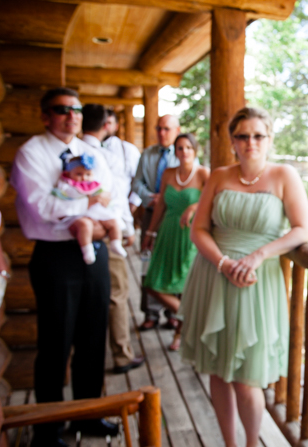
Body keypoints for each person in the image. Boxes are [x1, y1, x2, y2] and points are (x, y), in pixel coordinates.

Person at [178, 107, 308, 447]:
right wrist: (224, 263)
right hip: (214, 273)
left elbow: (303, 229)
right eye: (242, 135)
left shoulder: (284, 175)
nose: (250, 142)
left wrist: (258, 255)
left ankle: (252, 443)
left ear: (269, 139)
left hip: (257, 281)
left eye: (258, 135)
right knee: (217, 369)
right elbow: (199, 230)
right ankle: (229, 443)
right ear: (232, 141)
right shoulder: (220, 176)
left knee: (247, 379)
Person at [11, 88, 119, 446]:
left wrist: (95, 215)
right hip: (56, 257)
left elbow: (110, 195)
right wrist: (89, 203)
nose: (71, 116)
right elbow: (43, 207)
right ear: (45, 116)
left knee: (93, 338)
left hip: (95, 250)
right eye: (61, 110)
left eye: (75, 110)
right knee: (56, 342)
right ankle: (47, 428)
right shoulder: (31, 154)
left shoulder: (91, 153)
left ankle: (88, 416)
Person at [82, 104, 145, 374]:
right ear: (108, 124)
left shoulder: (77, 151)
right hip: (106, 233)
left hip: (78, 235)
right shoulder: (102, 155)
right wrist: (126, 227)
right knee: (117, 294)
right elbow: (117, 197)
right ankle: (121, 354)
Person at [141, 133, 209, 351]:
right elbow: (160, 205)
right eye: (180, 148)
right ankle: (188, 317)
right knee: (152, 283)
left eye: (189, 147)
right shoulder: (169, 174)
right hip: (167, 231)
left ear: (195, 150)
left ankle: (180, 333)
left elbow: (213, 201)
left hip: (190, 235)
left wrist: (193, 207)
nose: (184, 152)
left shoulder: (203, 174)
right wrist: (151, 233)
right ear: (175, 151)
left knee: (185, 286)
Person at [131, 114, 182, 330]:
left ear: (177, 131)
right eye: (159, 128)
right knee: (148, 261)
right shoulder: (148, 154)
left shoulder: (184, 154)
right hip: (151, 213)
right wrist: (149, 198)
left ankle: (173, 311)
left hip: (173, 217)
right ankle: (150, 313)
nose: (162, 133)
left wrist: (168, 198)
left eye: (167, 129)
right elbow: (137, 182)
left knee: (172, 261)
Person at [52, 153, 126, 264]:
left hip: (96, 212)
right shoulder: (67, 186)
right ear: (69, 173)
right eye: (79, 174)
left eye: (88, 174)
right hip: (78, 213)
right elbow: (65, 196)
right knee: (85, 225)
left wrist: (103, 197)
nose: (84, 178)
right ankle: (87, 249)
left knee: (113, 222)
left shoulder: (94, 185)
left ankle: (116, 243)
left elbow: (105, 195)